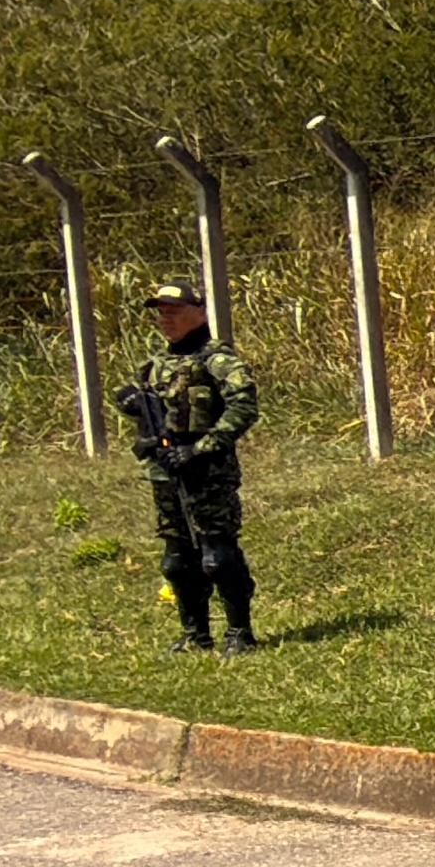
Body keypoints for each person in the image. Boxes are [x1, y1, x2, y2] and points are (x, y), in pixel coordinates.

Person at [117, 280, 259, 655]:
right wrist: (130, 402)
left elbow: (243, 409)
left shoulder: (218, 361)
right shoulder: (157, 364)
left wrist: (200, 449)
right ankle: (195, 635)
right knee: (177, 560)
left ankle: (239, 633)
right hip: (165, 471)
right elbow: (135, 395)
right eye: (162, 313)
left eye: (175, 312)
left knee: (217, 554)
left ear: (199, 313)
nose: (167, 320)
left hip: (207, 472)